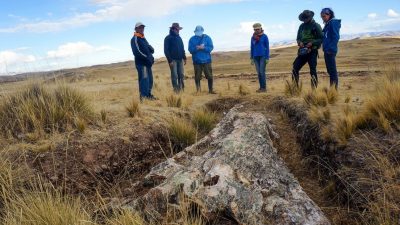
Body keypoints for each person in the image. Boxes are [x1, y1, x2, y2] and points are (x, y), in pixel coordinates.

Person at [292, 10, 323, 89]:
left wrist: (312, 42)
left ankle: (314, 90)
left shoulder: (316, 26)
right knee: (295, 67)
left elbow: (321, 38)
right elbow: (298, 38)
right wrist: (300, 42)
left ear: (310, 17)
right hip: (302, 51)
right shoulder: (301, 26)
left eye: (306, 18)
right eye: (304, 19)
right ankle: (295, 88)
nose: (304, 20)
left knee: (312, 70)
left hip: (312, 51)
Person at [130, 22, 156, 101]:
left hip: (147, 64)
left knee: (150, 80)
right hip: (142, 64)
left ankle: (148, 95)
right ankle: (144, 97)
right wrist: (147, 58)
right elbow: (137, 52)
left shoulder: (143, 38)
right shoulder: (135, 39)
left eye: (143, 27)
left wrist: (151, 52)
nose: (142, 29)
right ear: (136, 29)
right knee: (144, 79)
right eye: (140, 28)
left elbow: (148, 49)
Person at [188, 25, 216, 94]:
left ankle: (211, 90)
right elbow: (190, 50)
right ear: (195, 32)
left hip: (207, 60)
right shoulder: (192, 39)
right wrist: (196, 48)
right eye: (197, 31)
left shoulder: (207, 38)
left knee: (209, 76)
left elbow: (211, 48)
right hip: (197, 61)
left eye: (199, 31)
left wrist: (203, 48)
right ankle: (198, 91)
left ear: (202, 31)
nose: (198, 32)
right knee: (197, 77)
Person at [321, 8, 341, 89]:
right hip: (327, 50)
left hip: (330, 51)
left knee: (332, 72)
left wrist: (330, 49)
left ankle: (334, 91)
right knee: (330, 71)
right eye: (322, 16)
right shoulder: (328, 24)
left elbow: (336, 37)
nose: (323, 18)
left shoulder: (333, 23)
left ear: (329, 15)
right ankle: (332, 89)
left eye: (324, 16)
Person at [164, 23, 187, 93]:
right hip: (173, 60)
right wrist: (170, 60)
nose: (178, 31)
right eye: (177, 29)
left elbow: (182, 48)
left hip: (180, 59)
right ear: (173, 29)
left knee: (181, 75)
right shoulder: (168, 38)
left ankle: (181, 89)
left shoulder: (179, 38)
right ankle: (176, 90)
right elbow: (166, 50)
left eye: (179, 29)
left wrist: (184, 57)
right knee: (174, 76)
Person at [250, 22, 270, 92]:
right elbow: (252, 47)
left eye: (258, 29)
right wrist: (251, 58)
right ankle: (261, 87)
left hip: (263, 56)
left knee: (262, 72)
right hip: (255, 57)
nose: (256, 31)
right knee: (258, 73)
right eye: (255, 29)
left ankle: (264, 88)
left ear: (261, 28)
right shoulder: (252, 37)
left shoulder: (265, 36)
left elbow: (267, 47)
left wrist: (267, 57)